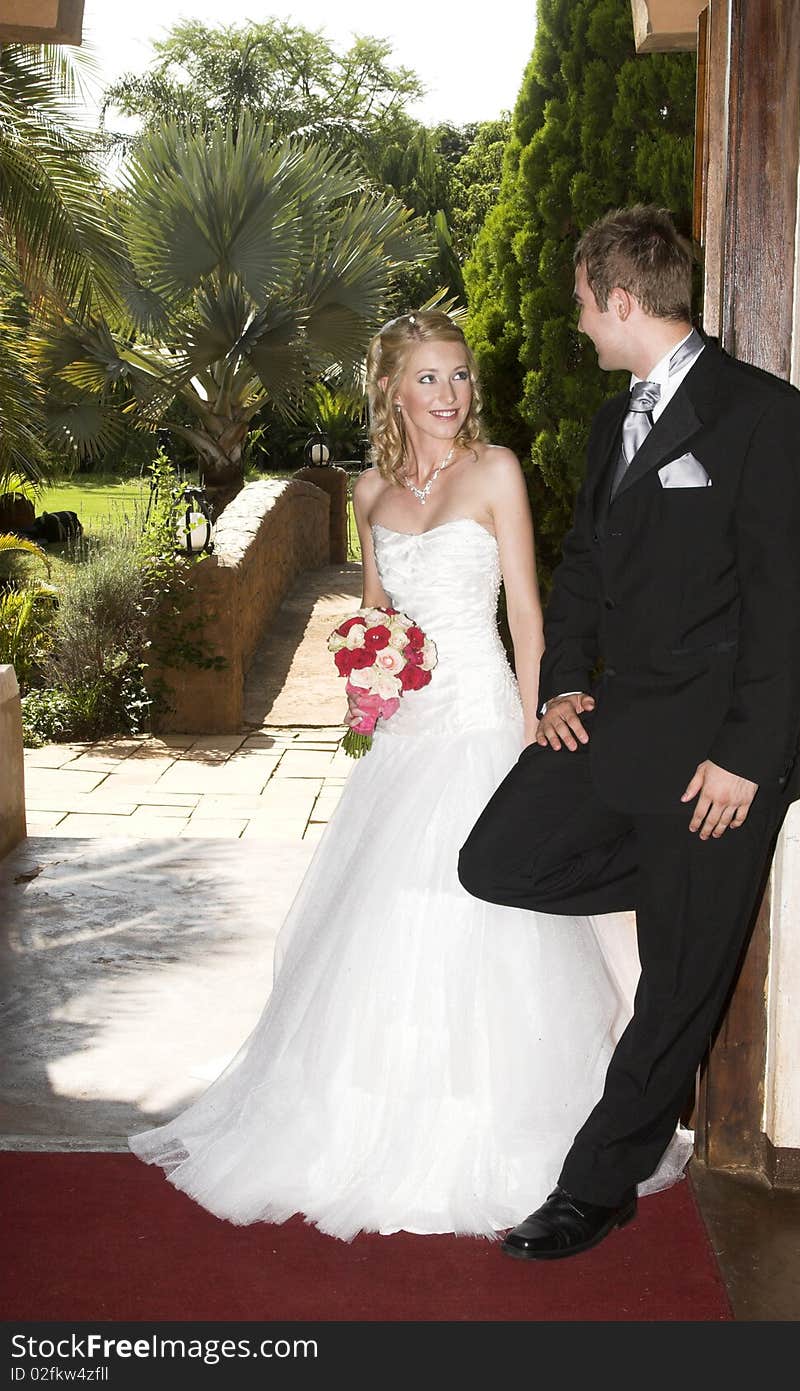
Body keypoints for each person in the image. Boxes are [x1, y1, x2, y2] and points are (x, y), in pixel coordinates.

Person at [128, 309, 689, 1240]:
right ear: (392, 388)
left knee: (490, 909)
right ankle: (360, 1122)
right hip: (406, 743)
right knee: (385, 921)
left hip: (483, 724)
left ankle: (515, 1134)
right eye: (429, 378)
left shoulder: (496, 471)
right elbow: (376, 621)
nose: (450, 395)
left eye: (460, 376)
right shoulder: (368, 494)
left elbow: (530, 621)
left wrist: (532, 741)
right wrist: (368, 693)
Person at [459, 206, 800, 1260]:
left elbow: (790, 602)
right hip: (618, 729)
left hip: (719, 759)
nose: (577, 325)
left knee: (676, 988)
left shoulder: (764, 415)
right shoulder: (606, 423)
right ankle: (682, 888)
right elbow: (580, 571)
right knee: (496, 857)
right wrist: (565, 682)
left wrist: (750, 759)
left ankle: (594, 1186)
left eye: (582, 305)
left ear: (619, 300)